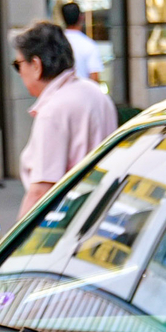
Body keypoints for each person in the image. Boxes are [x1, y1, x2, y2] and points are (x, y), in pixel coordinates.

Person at [13, 19, 115, 214]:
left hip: (68, 219)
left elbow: (41, 192)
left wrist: (17, 241)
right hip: (102, 211)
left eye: (18, 64)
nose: (19, 73)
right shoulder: (96, 93)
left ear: (36, 65)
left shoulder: (53, 110)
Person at [59, 1, 106, 90]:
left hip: (59, 96)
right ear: (81, 17)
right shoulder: (89, 45)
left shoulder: (56, 43)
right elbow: (94, 77)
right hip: (82, 96)